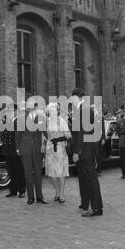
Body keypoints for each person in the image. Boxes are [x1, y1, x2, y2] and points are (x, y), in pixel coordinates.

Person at [70, 88, 103, 217]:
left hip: (85, 151)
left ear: (77, 97)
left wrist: (77, 152)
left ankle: (96, 208)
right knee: (85, 179)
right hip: (86, 150)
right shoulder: (83, 109)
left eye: (71, 98)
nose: (70, 100)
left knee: (91, 180)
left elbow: (83, 133)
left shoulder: (83, 109)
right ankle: (86, 203)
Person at [16, 97, 47, 205]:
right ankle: (30, 197)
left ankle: (39, 196)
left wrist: (43, 144)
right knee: (27, 173)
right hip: (25, 149)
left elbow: (44, 133)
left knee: (38, 173)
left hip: (38, 149)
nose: (30, 108)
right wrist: (18, 148)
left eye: (32, 106)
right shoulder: (21, 118)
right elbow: (18, 135)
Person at [44, 103, 72, 204]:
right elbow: (43, 133)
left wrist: (58, 139)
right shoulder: (46, 122)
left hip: (60, 148)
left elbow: (68, 135)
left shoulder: (62, 121)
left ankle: (61, 194)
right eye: (51, 111)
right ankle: (56, 191)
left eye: (54, 110)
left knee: (60, 172)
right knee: (51, 173)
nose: (53, 112)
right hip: (49, 149)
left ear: (57, 111)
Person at [0, 104, 26, 199]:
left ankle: (22, 190)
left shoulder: (19, 121)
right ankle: (13, 190)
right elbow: (2, 133)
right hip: (6, 148)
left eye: (12, 111)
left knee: (18, 170)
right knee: (10, 170)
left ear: (16, 111)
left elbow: (21, 136)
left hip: (15, 148)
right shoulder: (6, 121)